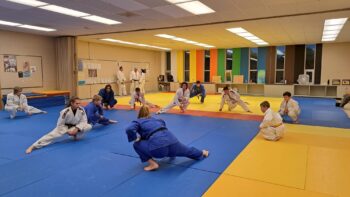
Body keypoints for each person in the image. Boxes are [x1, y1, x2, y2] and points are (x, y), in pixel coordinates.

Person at [126, 105, 209, 171]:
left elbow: (129, 129)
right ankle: (202, 153)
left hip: (158, 149)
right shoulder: (157, 120)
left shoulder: (138, 121)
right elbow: (163, 124)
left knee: (136, 144)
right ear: (149, 114)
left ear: (139, 114)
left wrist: (135, 138)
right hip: (173, 141)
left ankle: (153, 164)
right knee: (188, 151)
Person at [25, 97, 92, 154]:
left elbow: (84, 121)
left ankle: (75, 135)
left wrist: (76, 129)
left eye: (79, 103)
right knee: (50, 136)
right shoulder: (65, 111)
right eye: (76, 103)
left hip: (75, 126)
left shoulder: (81, 109)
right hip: (64, 127)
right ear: (72, 103)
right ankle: (33, 146)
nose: (78, 105)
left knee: (88, 126)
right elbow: (60, 124)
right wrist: (67, 131)